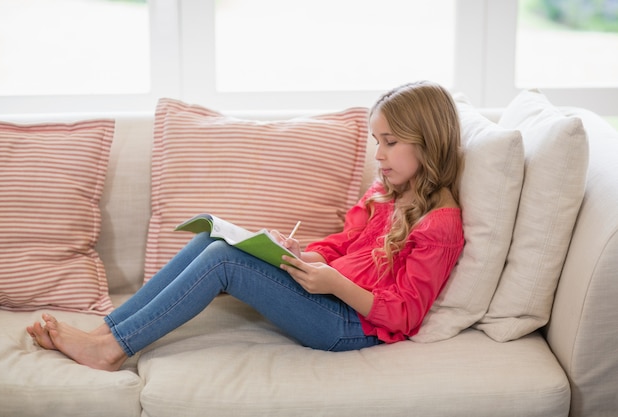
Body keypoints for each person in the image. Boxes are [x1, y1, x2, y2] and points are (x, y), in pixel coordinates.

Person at [27, 80, 465, 371]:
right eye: (377, 142)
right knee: (210, 237)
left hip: (351, 327)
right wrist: (303, 254)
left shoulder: (440, 224)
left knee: (224, 261)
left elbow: (405, 315)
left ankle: (109, 350)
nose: (380, 155)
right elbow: (345, 245)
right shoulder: (385, 192)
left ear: (430, 144)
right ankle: (107, 330)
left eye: (390, 143)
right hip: (332, 295)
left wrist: (333, 284)